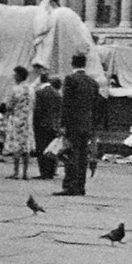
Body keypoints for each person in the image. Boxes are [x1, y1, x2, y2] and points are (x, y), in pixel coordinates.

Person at [54, 54, 100, 195]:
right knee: (82, 156)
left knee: (70, 154)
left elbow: (66, 104)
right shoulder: (92, 82)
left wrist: (62, 124)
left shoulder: (70, 80)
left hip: (73, 123)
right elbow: (96, 106)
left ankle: (70, 185)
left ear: (72, 64)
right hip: (87, 123)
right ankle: (81, 185)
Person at [5, 66, 34, 180]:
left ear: (19, 76)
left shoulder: (15, 89)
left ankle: (16, 171)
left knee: (16, 145)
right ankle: (25, 172)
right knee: (26, 146)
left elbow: (9, 105)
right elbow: (33, 104)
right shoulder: (31, 89)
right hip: (28, 120)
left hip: (17, 119)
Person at [33, 73, 62, 179]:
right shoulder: (57, 94)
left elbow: (37, 110)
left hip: (41, 124)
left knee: (41, 147)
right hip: (54, 124)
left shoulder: (39, 93)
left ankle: (43, 172)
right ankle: (51, 171)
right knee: (52, 147)